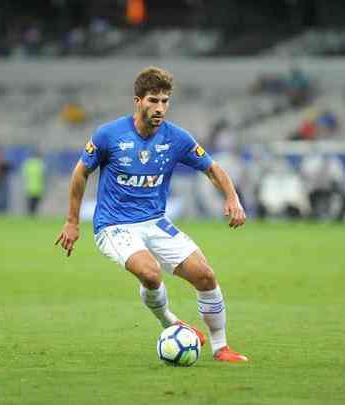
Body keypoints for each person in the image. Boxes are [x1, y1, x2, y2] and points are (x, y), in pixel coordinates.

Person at [55, 67, 249, 363]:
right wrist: (71, 221)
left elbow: (212, 168)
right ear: (138, 101)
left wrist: (232, 199)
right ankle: (170, 323)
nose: (159, 108)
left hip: (155, 222)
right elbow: (81, 172)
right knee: (150, 272)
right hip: (114, 224)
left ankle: (221, 348)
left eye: (165, 101)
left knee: (206, 276)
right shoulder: (109, 135)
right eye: (153, 101)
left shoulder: (176, 138)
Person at [22, 150, 45, 216]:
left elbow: (24, 175)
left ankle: (30, 217)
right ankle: (33, 217)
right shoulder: (41, 164)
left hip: (29, 189)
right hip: (38, 189)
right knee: (35, 207)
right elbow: (44, 176)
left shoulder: (28, 163)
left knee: (30, 207)